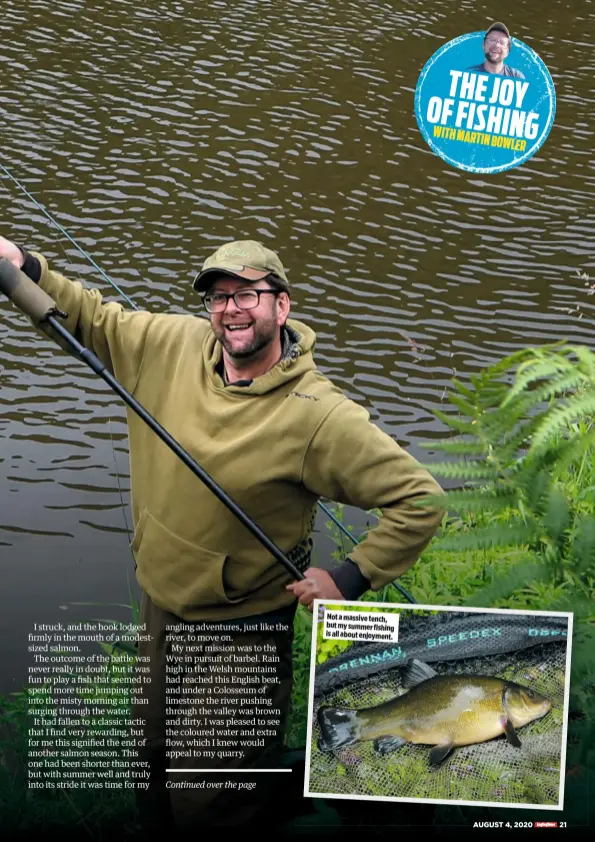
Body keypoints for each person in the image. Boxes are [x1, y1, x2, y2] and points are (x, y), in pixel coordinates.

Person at [0, 235, 445, 828]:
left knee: (208, 798)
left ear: (281, 306)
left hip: (242, 629)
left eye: (248, 295)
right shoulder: (173, 345)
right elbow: (90, 316)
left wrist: (350, 576)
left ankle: (321, 788)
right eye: (218, 297)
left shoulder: (320, 416)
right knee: (150, 763)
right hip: (162, 605)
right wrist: (20, 265)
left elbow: (419, 499)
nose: (231, 309)